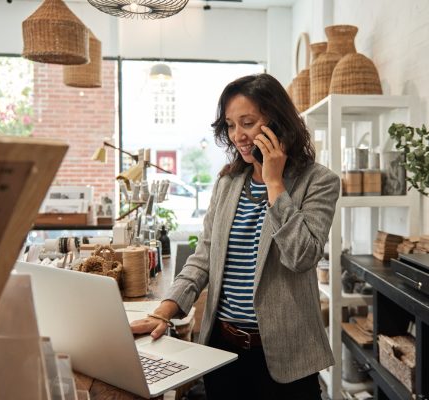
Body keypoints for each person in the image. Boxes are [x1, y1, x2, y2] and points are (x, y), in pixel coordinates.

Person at [130, 73, 340, 399]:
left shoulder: (318, 181)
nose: (238, 135)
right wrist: (165, 310)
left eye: (247, 122)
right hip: (223, 351)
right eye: (230, 125)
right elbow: (204, 257)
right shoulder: (228, 183)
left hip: (287, 357)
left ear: (277, 124)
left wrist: (274, 185)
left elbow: (302, 256)